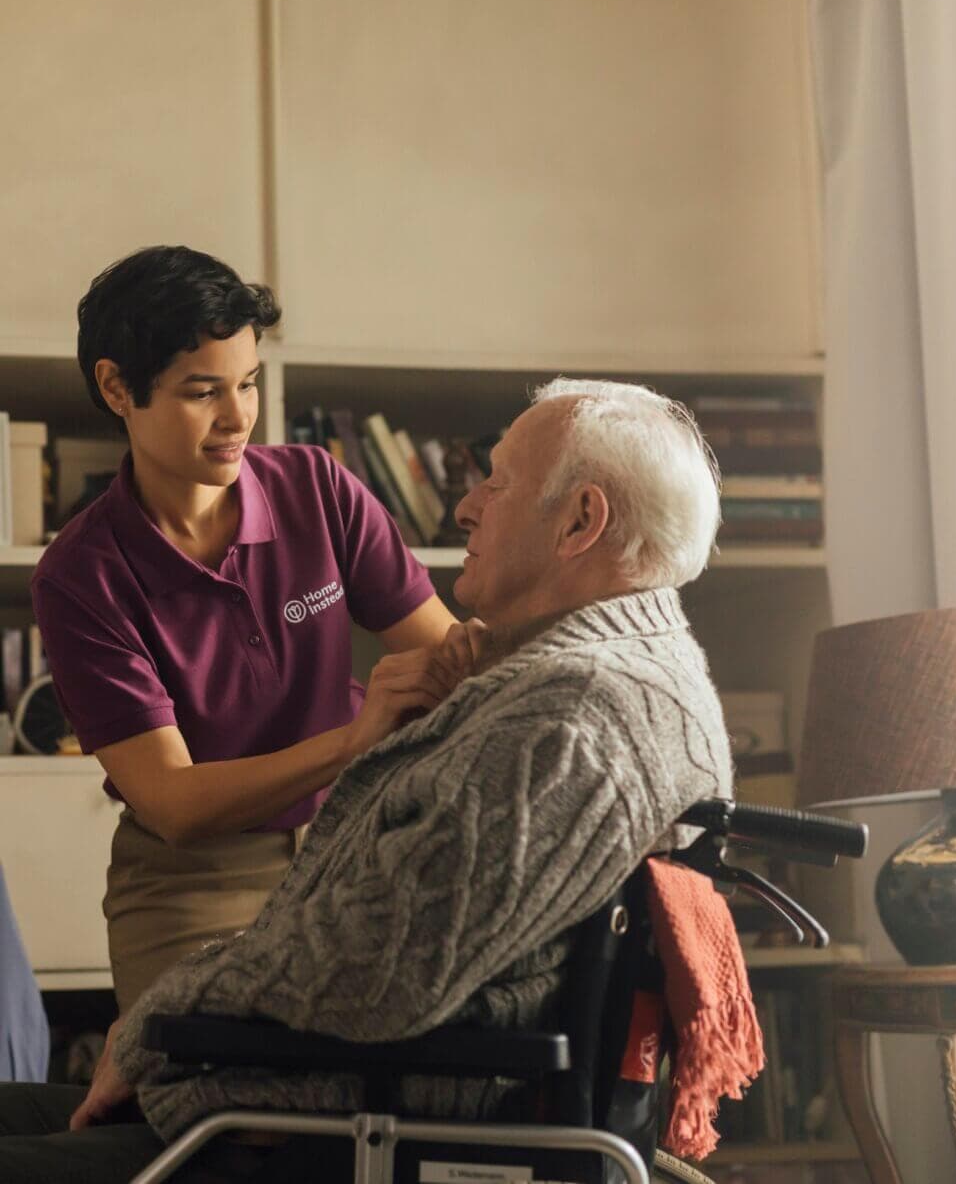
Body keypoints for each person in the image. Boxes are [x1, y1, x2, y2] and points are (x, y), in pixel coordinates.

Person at [0, 378, 733, 1182]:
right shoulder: (620, 676)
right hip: (324, 1087)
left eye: (497, 482)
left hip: (331, 1124)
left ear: (581, 521)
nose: (464, 507)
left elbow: (378, 972)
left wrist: (153, 1018)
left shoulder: (573, 721)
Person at [31, 245, 463, 1016]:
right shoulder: (80, 576)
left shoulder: (318, 488)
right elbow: (176, 801)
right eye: (203, 392)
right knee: (212, 1114)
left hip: (359, 840)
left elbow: (451, 659)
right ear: (116, 387)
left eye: (249, 383)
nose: (238, 418)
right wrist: (350, 741)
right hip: (195, 879)